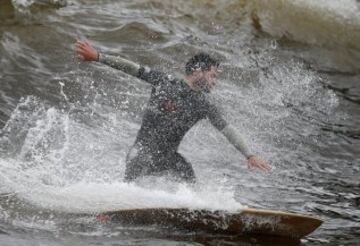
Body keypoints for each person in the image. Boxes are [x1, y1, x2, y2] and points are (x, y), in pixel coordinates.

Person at [75, 40, 271, 183]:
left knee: (187, 175)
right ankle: (110, 208)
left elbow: (228, 130)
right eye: (212, 75)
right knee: (132, 179)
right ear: (198, 70)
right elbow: (132, 68)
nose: (214, 82)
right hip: (142, 152)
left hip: (169, 157)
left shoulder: (204, 104)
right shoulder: (164, 82)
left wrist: (249, 155)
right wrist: (99, 57)